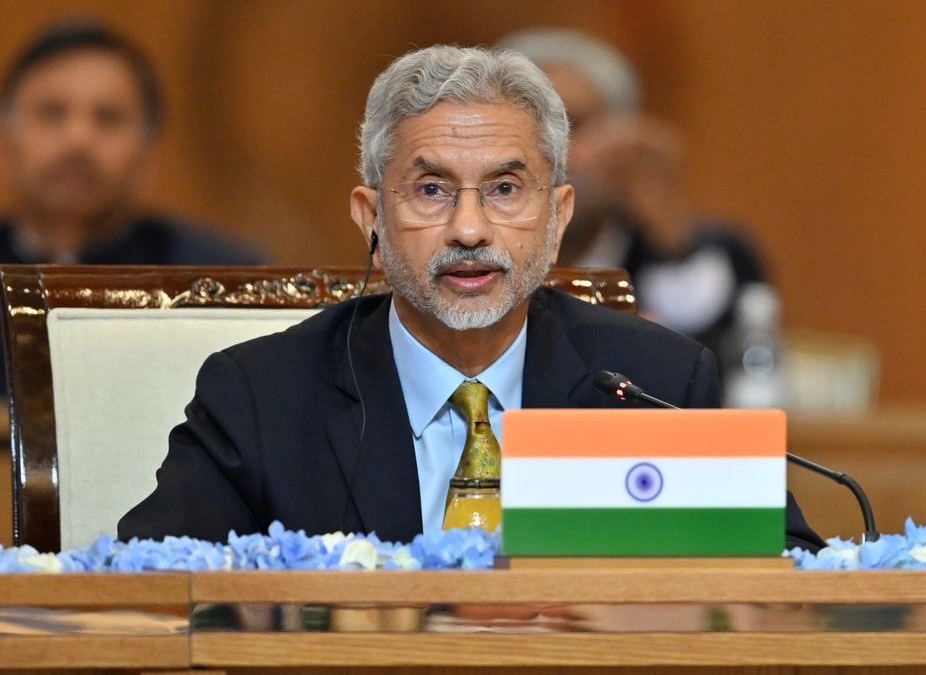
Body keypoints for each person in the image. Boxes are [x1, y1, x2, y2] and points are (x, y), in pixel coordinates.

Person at [117, 45, 824, 552]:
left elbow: (784, 578)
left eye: (505, 189)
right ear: (371, 217)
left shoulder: (653, 383)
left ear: (558, 218)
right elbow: (149, 587)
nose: (469, 229)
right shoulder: (261, 395)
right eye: (430, 190)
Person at [497, 29, 773, 371]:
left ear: (627, 139)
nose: (548, 154)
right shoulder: (463, 251)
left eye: (571, 125)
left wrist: (670, 238)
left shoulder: (708, 255)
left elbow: (715, 378)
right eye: (529, 129)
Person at [0, 21, 262, 265]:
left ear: (149, 153)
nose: (79, 139)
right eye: (52, 113)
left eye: (108, 117)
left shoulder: (224, 276)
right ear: (6, 143)